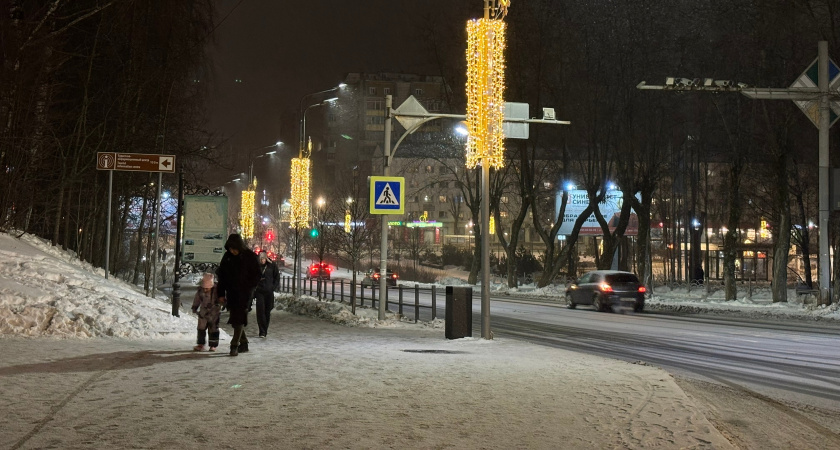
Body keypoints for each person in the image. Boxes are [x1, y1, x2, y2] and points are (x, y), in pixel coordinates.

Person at [216, 234, 261, 356]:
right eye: (230, 249)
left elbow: (257, 275)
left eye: (234, 248)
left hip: (245, 293)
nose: (232, 251)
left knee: (239, 316)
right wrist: (220, 294)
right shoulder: (227, 257)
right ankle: (244, 343)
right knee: (236, 319)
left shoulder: (250, 257)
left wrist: (249, 286)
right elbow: (222, 277)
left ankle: (234, 345)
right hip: (232, 292)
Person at [191, 273, 221, 351]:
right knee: (201, 329)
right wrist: (195, 306)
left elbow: (221, 300)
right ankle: (200, 344)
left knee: (213, 329)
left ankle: (213, 345)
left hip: (214, 313)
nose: (205, 290)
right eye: (204, 288)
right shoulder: (200, 291)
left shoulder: (216, 291)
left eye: (207, 288)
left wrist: (221, 303)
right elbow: (197, 299)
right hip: (203, 313)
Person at [254, 251, 280, 338]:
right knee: (260, 311)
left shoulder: (272, 265)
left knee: (267, 311)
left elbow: (277, 277)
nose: (262, 261)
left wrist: (273, 287)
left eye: (263, 259)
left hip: (269, 291)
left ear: (266, 258)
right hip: (259, 291)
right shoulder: (256, 266)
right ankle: (262, 331)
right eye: (261, 259)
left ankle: (265, 329)